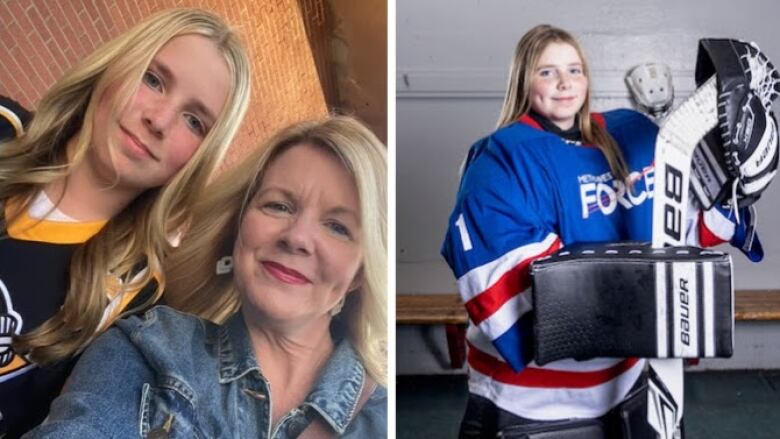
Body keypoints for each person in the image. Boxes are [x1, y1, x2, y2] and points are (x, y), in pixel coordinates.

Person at [440, 25, 757, 437]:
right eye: (547, 72)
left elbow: (685, 227)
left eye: (574, 69)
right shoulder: (498, 162)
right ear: (524, 80)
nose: (565, 82)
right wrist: (662, 307)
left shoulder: (632, 134)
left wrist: (735, 184)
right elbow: (547, 309)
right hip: (531, 406)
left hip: (629, 389)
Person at [25, 116, 388, 438]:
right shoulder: (150, 348)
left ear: (360, 273)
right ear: (238, 227)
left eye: (338, 227)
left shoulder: (387, 415)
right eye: (278, 205)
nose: (296, 237)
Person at [0, 8, 250, 436]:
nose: (159, 120)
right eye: (153, 79)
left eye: (194, 121)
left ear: (200, 158)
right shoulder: (3, 127)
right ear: (119, 61)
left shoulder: (136, 299)